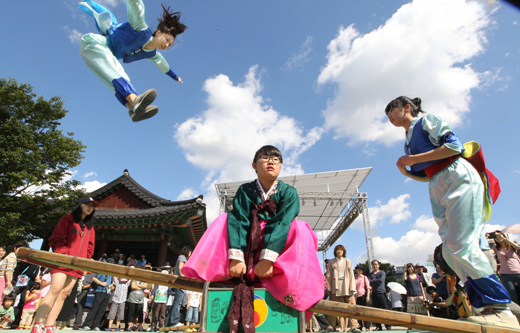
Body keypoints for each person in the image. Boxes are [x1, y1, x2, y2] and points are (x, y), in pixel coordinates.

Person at [385, 96, 516, 328]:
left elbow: (454, 146)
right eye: (387, 115)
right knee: (449, 252)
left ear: (407, 107)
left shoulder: (427, 121)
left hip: (457, 177)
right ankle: (487, 305)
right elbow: (426, 174)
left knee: (461, 244)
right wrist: (407, 172)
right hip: (438, 184)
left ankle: (501, 308)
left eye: (392, 110)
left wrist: (413, 159)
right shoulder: (407, 140)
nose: (390, 117)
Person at [182, 145, 324, 333]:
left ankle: (292, 286)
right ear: (254, 165)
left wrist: (267, 259)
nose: (272, 161)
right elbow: (239, 220)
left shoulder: (289, 192)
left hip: (275, 246)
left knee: (301, 229)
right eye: (265, 157)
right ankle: (223, 271)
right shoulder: (245, 190)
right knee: (224, 219)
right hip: (248, 240)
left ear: (281, 166)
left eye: (277, 159)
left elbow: (282, 223)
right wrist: (236, 257)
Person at [78, 0, 186, 122]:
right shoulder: (140, 28)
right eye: (166, 39)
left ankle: (133, 109)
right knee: (115, 70)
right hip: (97, 43)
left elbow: (164, 66)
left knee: (111, 77)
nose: (166, 45)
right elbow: (137, 8)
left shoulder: (153, 54)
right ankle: (135, 101)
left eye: (169, 44)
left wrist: (175, 77)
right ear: (158, 32)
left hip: (108, 54)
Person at [30, 197, 97, 333]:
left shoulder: (90, 228)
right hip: (62, 261)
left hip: (77, 264)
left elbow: (90, 248)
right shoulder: (67, 220)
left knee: (64, 294)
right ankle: (37, 324)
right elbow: (57, 239)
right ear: (80, 205)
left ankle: (49, 325)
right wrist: (65, 255)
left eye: (92, 206)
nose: (90, 208)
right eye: (88, 205)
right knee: (55, 288)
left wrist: (83, 263)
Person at [325, 245, 359, 332]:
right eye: (337, 250)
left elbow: (351, 275)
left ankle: (354, 326)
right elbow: (328, 276)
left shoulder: (347, 261)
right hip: (335, 289)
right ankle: (330, 327)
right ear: (335, 251)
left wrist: (352, 287)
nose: (339, 251)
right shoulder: (331, 262)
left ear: (344, 252)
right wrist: (329, 288)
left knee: (351, 307)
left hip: (347, 288)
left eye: (341, 250)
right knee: (333, 308)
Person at [489, 230, 520, 304]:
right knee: (512, 295)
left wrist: (505, 239)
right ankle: (516, 313)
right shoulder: (495, 248)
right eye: (496, 237)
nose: (498, 238)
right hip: (505, 274)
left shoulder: (511, 246)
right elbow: (490, 253)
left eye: (500, 236)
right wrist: (487, 237)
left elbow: (517, 247)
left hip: (518, 272)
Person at [167, 246, 192, 328]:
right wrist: (183, 277)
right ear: (187, 251)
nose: (190, 254)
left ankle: (169, 323)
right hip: (179, 283)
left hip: (177, 283)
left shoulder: (180, 257)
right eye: (190, 252)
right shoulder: (182, 257)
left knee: (175, 303)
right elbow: (180, 267)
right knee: (177, 303)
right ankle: (174, 322)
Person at [368, 260, 390, 331]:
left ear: (379, 265)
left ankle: (388, 325)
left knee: (386, 309)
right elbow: (369, 283)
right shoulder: (370, 274)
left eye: (376, 264)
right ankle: (378, 326)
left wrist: (373, 281)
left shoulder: (382, 272)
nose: (375, 266)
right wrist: (376, 281)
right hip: (374, 293)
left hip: (382, 293)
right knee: (376, 310)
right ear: (372, 266)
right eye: (373, 264)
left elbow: (381, 280)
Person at [354, 266, 371, 331]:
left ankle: (367, 326)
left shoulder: (364, 277)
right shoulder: (354, 278)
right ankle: (360, 326)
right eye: (358, 270)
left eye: (360, 270)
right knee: (358, 312)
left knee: (365, 311)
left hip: (363, 295)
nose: (359, 271)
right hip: (356, 296)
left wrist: (368, 296)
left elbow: (368, 287)